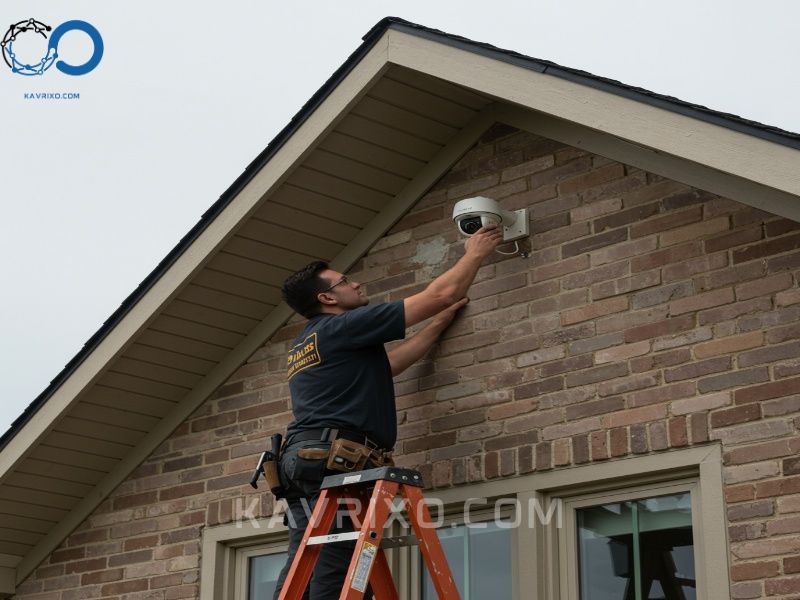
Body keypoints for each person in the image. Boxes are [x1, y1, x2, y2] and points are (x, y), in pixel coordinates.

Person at [272, 225, 503, 599]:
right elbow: (441, 293)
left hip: (304, 461)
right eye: (345, 281)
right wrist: (475, 253)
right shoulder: (343, 326)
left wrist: (439, 323)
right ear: (326, 298)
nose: (357, 284)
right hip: (335, 464)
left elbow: (391, 364)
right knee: (335, 565)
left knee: (303, 560)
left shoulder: (308, 341)